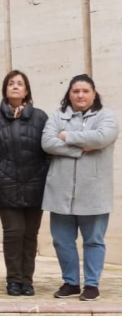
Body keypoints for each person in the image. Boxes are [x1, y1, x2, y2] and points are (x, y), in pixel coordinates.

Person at [41, 74, 117, 301]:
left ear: (94, 94)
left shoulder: (106, 116)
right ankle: (71, 282)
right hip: (60, 191)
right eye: (76, 91)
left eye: (85, 91)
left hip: (95, 192)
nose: (80, 95)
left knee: (93, 240)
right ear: (69, 94)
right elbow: (47, 142)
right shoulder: (58, 116)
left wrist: (66, 136)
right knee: (62, 240)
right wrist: (80, 147)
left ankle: (92, 285)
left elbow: (101, 137)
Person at [0, 70, 49, 297]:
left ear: (26, 90)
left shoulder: (40, 117)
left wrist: (42, 175)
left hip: (35, 186)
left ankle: (27, 280)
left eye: (20, 83)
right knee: (14, 233)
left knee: (30, 235)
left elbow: (50, 150)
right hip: (5, 186)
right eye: (11, 83)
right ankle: (14, 280)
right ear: (5, 89)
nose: (15, 86)